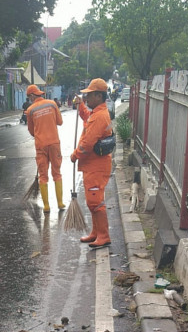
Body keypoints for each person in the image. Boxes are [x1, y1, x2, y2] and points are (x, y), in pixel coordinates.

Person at [70, 78, 113, 248]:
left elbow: (87, 144)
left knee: (95, 201)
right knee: (91, 201)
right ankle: (96, 233)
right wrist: (81, 105)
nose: (87, 98)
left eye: (89, 95)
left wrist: (75, 155)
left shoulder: (100, 116)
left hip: (96, 166)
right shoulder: (97, 113)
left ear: (98, 95)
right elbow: (86, 117)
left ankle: (103, 235)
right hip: (93, 165)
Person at [26, 84, 65, 213]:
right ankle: (60, 203)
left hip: (41, 145)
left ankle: (47, 206)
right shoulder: (52, 104)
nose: (29, 99)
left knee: (43, 176)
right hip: (54, 143)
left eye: (29, 97)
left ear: (32, 96)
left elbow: (32, 132)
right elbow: (60, 122)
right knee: (57, 173)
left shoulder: (30, 110)